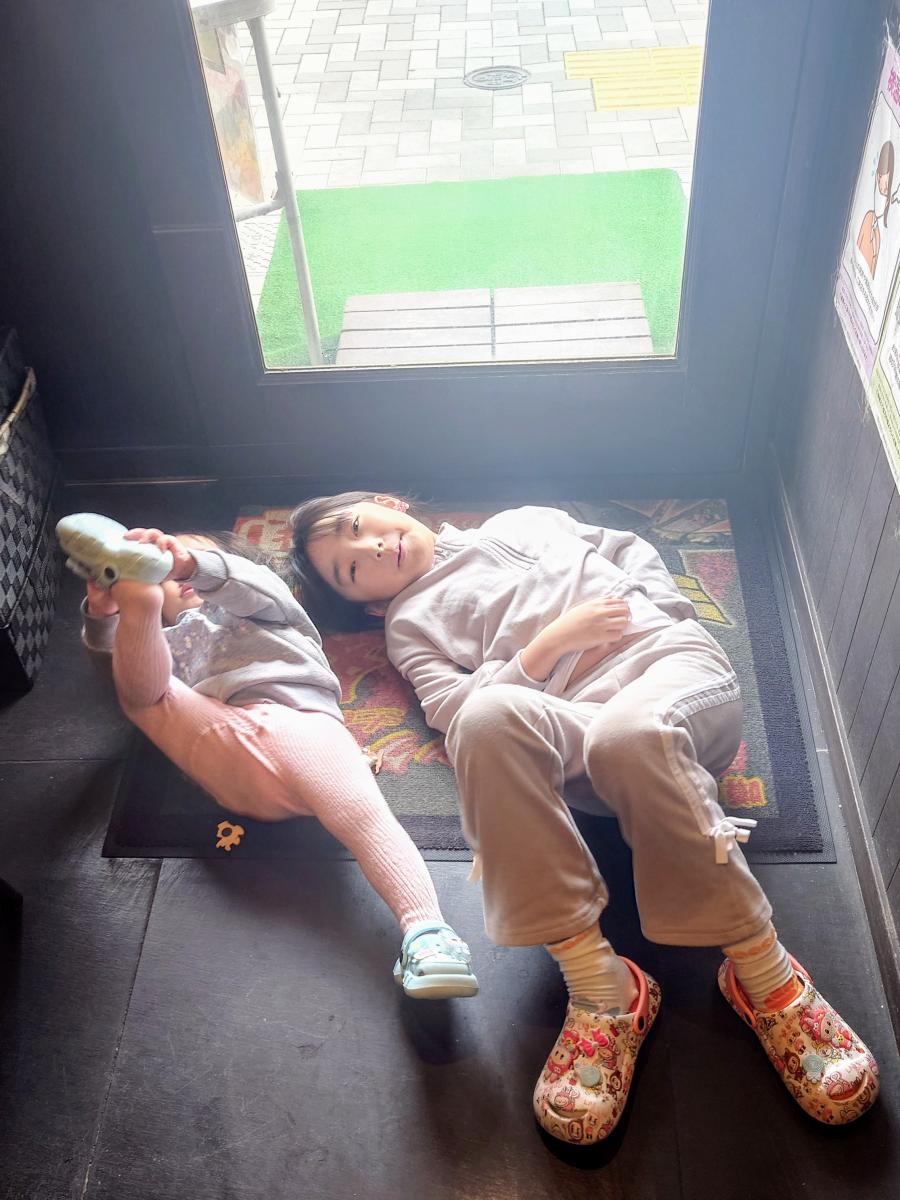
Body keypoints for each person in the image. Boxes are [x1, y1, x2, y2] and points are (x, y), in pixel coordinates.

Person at [289, 493, 880, 1144]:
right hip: (576, 726)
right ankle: (601, 985)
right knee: (484, 724)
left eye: (359, 526)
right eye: (351, 568)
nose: (372, 548)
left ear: (387, 504)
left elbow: (629, 549)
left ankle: (763, 973)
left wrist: (660, 614)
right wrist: (546, 649)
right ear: (371, 606)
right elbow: (454, 711)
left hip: (672, 677)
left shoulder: (523, 521)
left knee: (630, 736)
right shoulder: (409, 624)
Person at [56, 513, 478, 1002]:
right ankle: (138, 606)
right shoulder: (164, 642)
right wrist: (107, 611)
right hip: (223, 754)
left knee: (366, 821)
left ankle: (427, 933)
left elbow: (249, 583)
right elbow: (114, 665)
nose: (173, 572)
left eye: (181, 560)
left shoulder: (263, 606)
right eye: (161, 572)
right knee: (144, 698)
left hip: (297, 725)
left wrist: (190, 564)